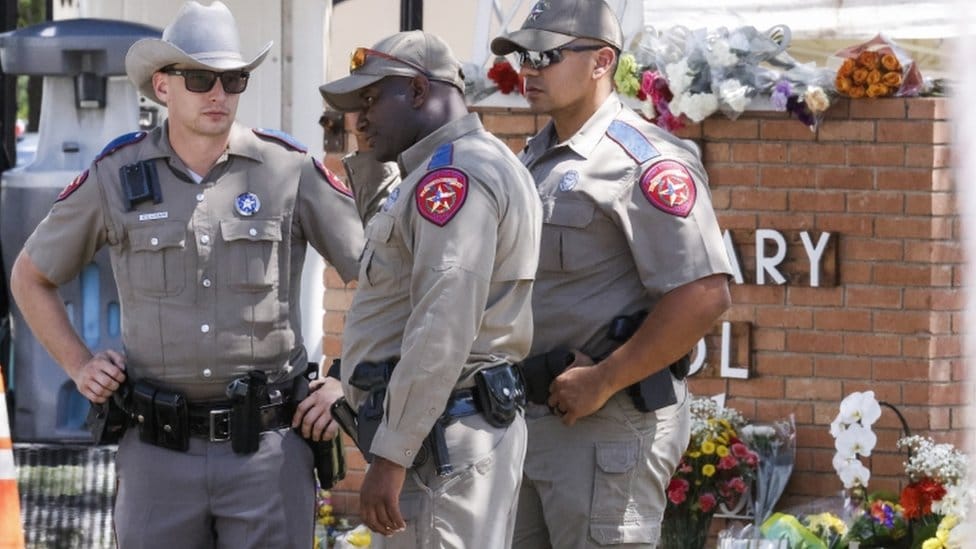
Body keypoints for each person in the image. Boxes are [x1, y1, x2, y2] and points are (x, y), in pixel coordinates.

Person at [9, 2, 363, 548]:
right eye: (200, 78)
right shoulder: (115, 175)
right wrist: (78, 364)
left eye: (233, 78)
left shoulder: (286, 170)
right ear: (163, 84)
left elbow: (380, 279)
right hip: (158, 457)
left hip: (266, 454)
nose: (219, 93)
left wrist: (346, 379)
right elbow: (31, 276)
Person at [490, 1, 734, 547]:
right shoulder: (534, 158)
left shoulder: (643, 160)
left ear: (602, 62)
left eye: (546, 55)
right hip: (529, 416)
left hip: (603, 425)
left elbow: (704, 295)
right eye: (523, 55)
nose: (529, 68)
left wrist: (604, 379)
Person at [319, 30, 542, 548]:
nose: (360, 118)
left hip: (438, 444)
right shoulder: (448, 168)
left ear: (419, 92)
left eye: (372, 99)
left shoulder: (455, 178)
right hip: (445, 434)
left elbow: (443, 319)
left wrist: (392, 455)